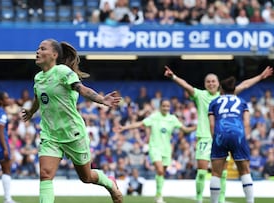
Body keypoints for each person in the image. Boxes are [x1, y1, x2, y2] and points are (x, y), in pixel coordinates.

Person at [21, 39, 123, 203]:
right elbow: (39, 98)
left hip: (73, 133)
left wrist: (101, 99)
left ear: (54, 55)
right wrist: (31, 111)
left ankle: (108, 182)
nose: (37, 51)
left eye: (42, 48)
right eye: (38, 48)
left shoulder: (63, 72)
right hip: (50, 135)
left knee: (86, 177)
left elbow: (81, 89)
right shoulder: (38, 78)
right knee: (45, 174)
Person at [164, 65, 273, 203]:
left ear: (219, 84)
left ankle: (220, 199)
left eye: (213, 81)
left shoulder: (223, 95)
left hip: (219, 136)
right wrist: (173, 77)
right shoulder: (200, 95)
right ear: (204, 84)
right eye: (208, 81)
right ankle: (199, 199)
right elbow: (186, 86)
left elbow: (245, 85)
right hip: (205, 137)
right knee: (202, 171)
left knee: (222, 173)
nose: (211, 83)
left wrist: (260, 77)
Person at [114, 98, 196, 203]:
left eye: (168, 106)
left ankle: (158, 194)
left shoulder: (172, 118)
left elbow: (184, 129)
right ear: (160, 107)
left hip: (167, 150)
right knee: (160, 170)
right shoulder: (154, 117)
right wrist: (125, 128)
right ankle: (159, 196)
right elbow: (140, 124)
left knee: (161, 173)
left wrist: (196, 127)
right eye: (164, 106)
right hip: (155, 148)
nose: (166, 108)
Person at [208, 76, 254, 203]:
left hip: (220, 135)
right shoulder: (242, 102)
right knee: (244, 171)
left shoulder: (214, 103)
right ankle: (250, 201)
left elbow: (212, 125)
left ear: (221, 89)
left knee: (216, 173)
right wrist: (245, 138)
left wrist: (215, 139)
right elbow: (246, 123)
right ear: (234, 90)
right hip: (238, 134)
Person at [0, 91, 17, 203]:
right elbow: (0, 131)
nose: (9, 99)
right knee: (6, 171)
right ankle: (7, 199)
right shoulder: (1, 113)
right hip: (1, 146)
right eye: (6, 98)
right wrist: (5, 148)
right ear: (1, 101)